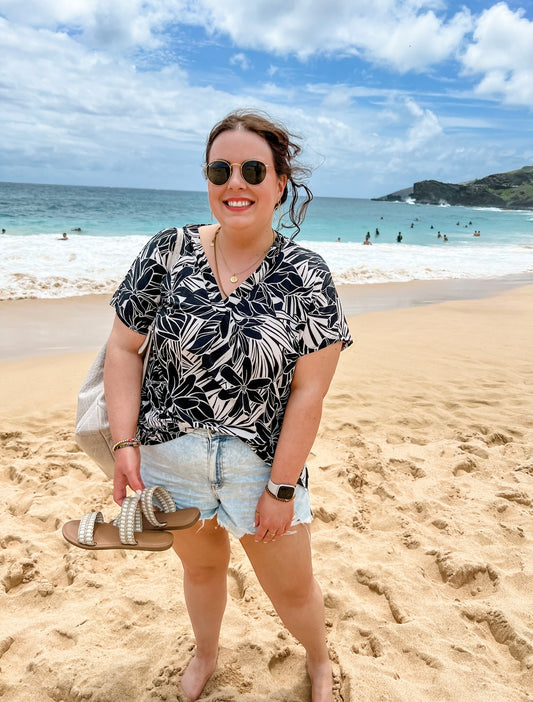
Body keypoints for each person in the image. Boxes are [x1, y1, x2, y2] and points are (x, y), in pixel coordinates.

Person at [104, 109, 352, 701]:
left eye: (251, 169)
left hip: (260, 469)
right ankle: (207, 652)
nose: (234, 182)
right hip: (172, 459)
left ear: (279, 182)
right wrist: (123, 443)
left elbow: (309, 393)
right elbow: (123, 348)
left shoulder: (306, 275)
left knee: (292, 590)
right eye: (220, 169)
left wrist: (282, 489)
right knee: (201, 568)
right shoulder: (167, 252)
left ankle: (318, 659)